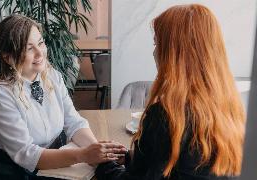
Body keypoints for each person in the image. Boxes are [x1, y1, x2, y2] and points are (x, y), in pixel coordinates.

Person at [96, 4, 245, 180]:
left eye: (157, 43)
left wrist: (103, 165)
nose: (154, 52)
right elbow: (181, 165)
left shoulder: (167, 115)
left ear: (174, 54)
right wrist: (130, 158)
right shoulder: (229, 107)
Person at [0, 14, 126, 180]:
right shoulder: (0, 94)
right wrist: (84, 155)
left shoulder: (53, 76)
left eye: (40, 43)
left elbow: (74, 122)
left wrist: (100, 155)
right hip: (7, 171)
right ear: (7, 56)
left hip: (48, 163)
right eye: (29, 48)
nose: (40, 53)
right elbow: (27, 155)